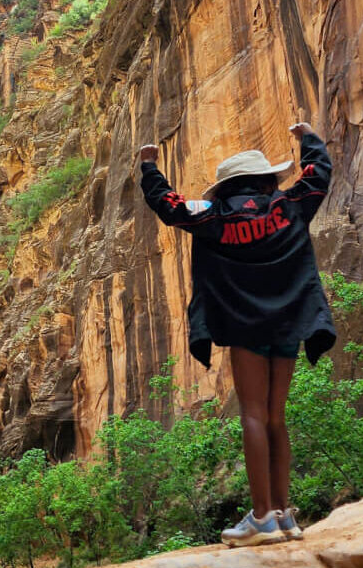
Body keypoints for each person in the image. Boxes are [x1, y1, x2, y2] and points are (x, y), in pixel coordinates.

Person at [138, 121, 335, 546]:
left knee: (252, 413)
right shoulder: (288, 206)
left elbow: (170, 206)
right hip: (289, 322)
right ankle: (284, 515)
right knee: (277, 417)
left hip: (245, 325)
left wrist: (149, 167)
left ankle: (262, 517)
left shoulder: (214, 217)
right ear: (265, 179)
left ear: (227, 187)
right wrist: (308, 141)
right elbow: (319, 174)